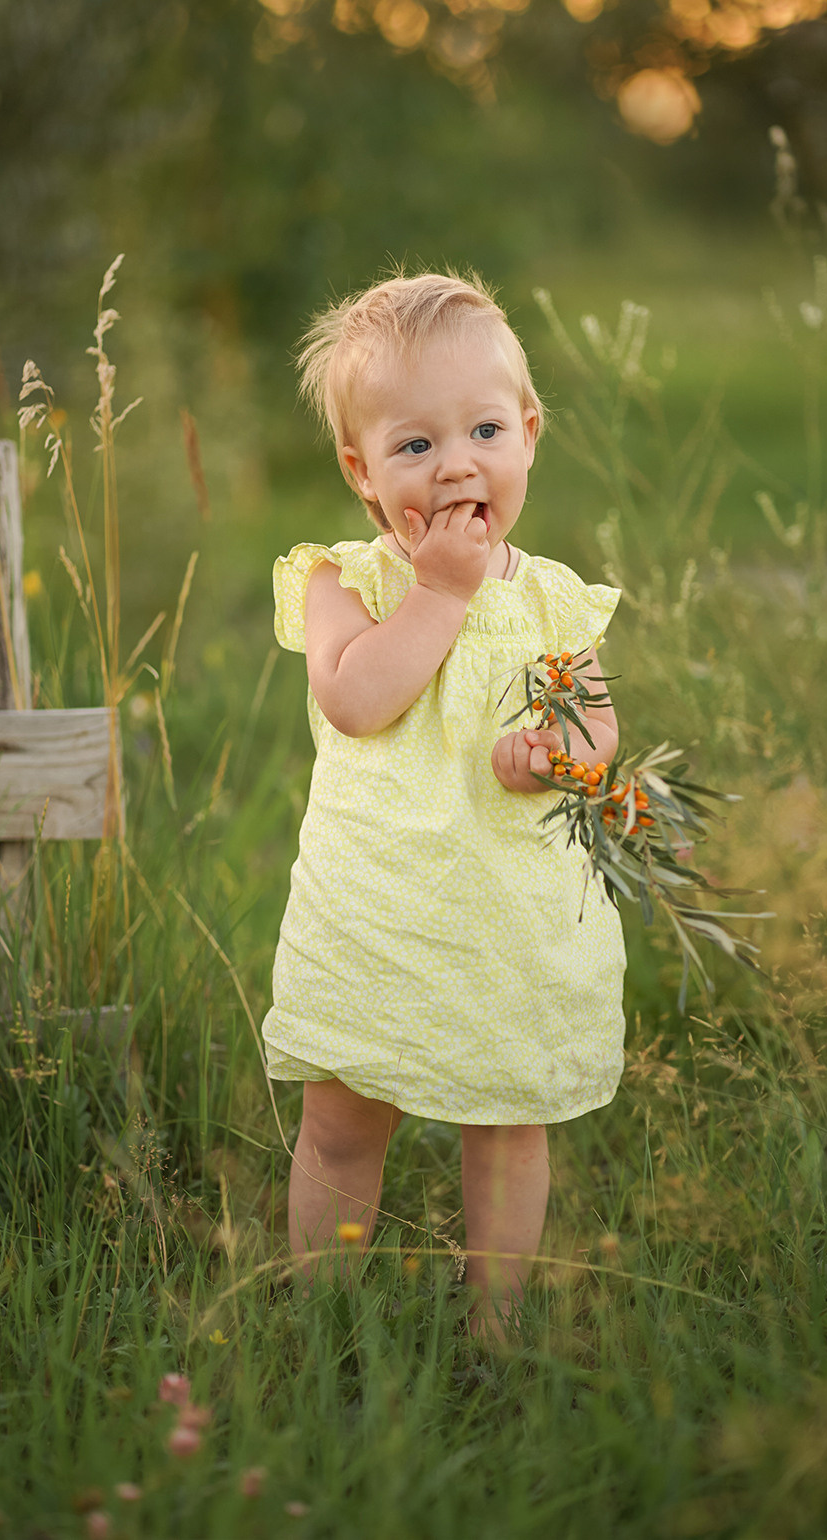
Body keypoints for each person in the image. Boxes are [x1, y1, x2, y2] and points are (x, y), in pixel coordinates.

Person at [263, 271, 625, 1340]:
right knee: (341, 1120)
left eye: (481, 430)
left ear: (527, 433)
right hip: (377, 909)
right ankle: (320, 1318)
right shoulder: (345, 582)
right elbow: (358, 698)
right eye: (415, 446)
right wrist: (442, 591)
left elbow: (598, 733)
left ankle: (493, 1327)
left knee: (510, 1123)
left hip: (510, 910)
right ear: (362, 473)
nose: (456, 462)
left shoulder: (555, 598)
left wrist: (556, 752)